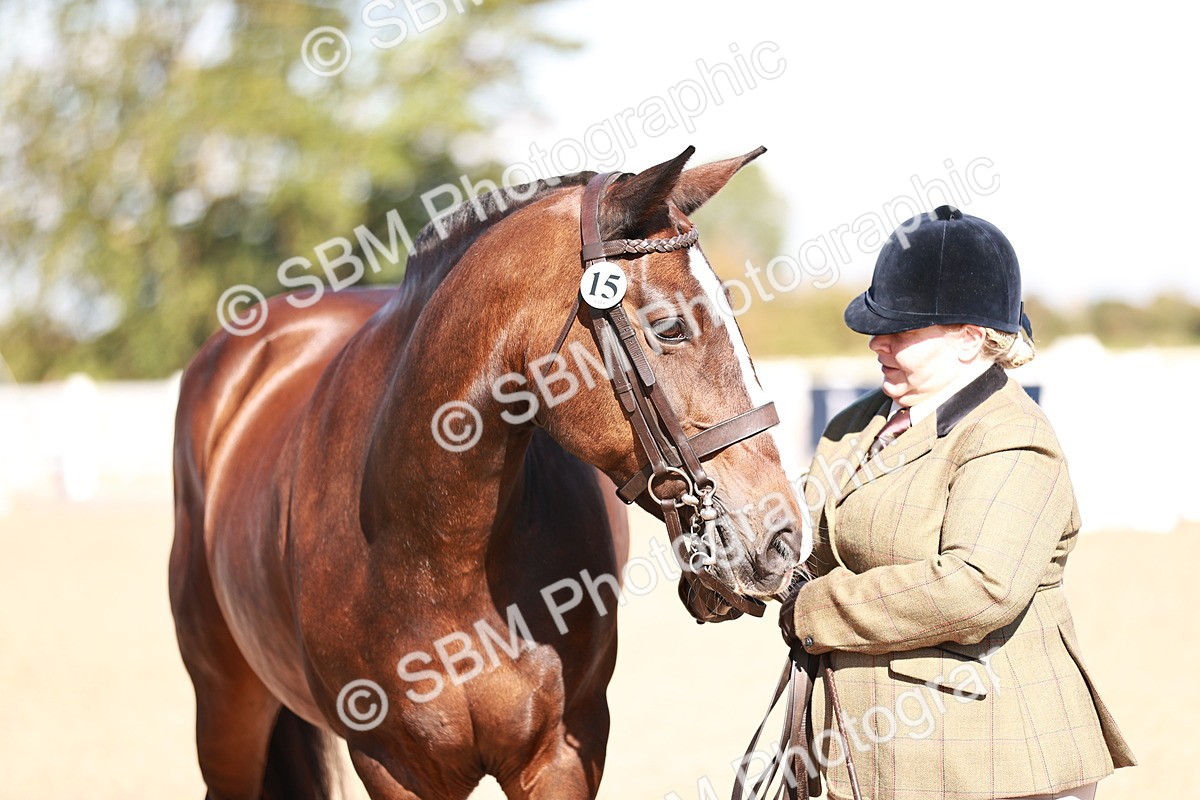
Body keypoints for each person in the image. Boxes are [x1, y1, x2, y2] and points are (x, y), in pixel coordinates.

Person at [778, 206, 1136, 800]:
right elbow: (804, 537)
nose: (877, 341)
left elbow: (979, 586)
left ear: (971, 341)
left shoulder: (1011, 436)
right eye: (878, 325)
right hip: (862, 754)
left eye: (902, 330)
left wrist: (817, 609)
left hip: (991, 760)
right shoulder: (854, 424)